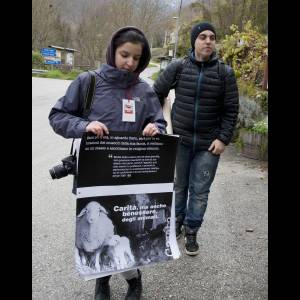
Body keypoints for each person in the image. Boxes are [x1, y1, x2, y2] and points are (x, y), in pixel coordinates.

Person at [49, 26, 167, 300]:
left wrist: (155, 129)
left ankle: (134, 279)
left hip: (132, 178)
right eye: (124, 55)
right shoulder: (88, 82)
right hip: (95, 178)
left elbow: (158, 121)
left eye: (136, 58)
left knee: (126, 232)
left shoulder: (144, 90)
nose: (130, 62)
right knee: (96, 233)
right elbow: (57, 116)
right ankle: (101, 280)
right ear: (112, 51)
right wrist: (85, 125)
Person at [153, 22, 239, 256]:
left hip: (208, 146)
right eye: (203, 37)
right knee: (179, 186)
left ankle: (192, 231)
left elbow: (231, 110)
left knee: (200, 190)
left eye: (212, 37)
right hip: (179, 141)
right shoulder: (179, 67)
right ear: (194, 41)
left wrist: (223, 139)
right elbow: (155, 93)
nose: (208, 41)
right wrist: (160, 125)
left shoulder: (225, 73)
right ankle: (176, 225)